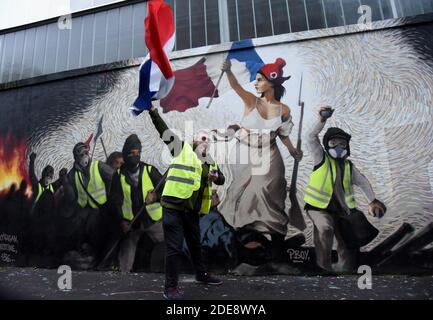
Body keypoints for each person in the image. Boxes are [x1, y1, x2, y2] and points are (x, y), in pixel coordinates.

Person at [217, 58, 302, 258]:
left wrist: (292, 151)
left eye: (259, 80)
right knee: (242, 195)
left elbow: (283, 133)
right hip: (247, 154)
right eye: (255, 80)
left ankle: (277, 244)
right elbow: (236, 86)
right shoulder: (251, 100)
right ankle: (243, 242)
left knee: (269, 194)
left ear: (272, 83)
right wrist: (228, 71)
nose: (255, 84)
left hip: (271, 155)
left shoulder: (284, 109)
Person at [148, 103, 226, 300]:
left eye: (208, 140)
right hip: (173, 207)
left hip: (191, 211)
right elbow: (163, 131)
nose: (205, 142)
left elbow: (221, 178)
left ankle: (201, 275)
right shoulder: (181, 150)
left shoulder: (211, 163)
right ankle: (170, 288)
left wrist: (216, 178)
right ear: (194, 140)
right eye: (202, 138)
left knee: (195, 244)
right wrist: (153, 112)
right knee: (174, 248)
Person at [304, 106, 387, 272]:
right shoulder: (321, 158)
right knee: (325, 229)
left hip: (343, 211)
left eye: (342, 144)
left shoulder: (349, 166)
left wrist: (372, 201)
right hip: (318, 207)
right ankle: (324, 268)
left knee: (347, 241)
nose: (338, 147)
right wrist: (321, 120)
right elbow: (310, 137)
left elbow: (362, 182)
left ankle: (345, 268)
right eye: (333, 143)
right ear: (327, 145)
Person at [109, 134, 164, 272]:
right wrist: (121, 221)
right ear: (126, 154)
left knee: (170, 246)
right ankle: (123, 282)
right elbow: (115, 201)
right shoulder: (118, 176)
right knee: (125, 262)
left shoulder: (150, 171)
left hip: (154, 222)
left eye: (138, 153)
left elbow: (167, 193)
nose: (136, 156)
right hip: (132, 224)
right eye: (132, 153)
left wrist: (155, 197)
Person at [62, 141, 115, 263]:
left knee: (96, 228)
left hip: (101, 207)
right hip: (83, 208)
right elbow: (70, 196)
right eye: (81, 154)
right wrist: (64, 180)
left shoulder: (98, 166)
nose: (85, 156)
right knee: (77, 228)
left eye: (86, 153)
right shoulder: (73, 173)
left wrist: (110, 193)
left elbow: (115, 178)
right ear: (76, 157)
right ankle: (84, 252)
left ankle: (99, 256)